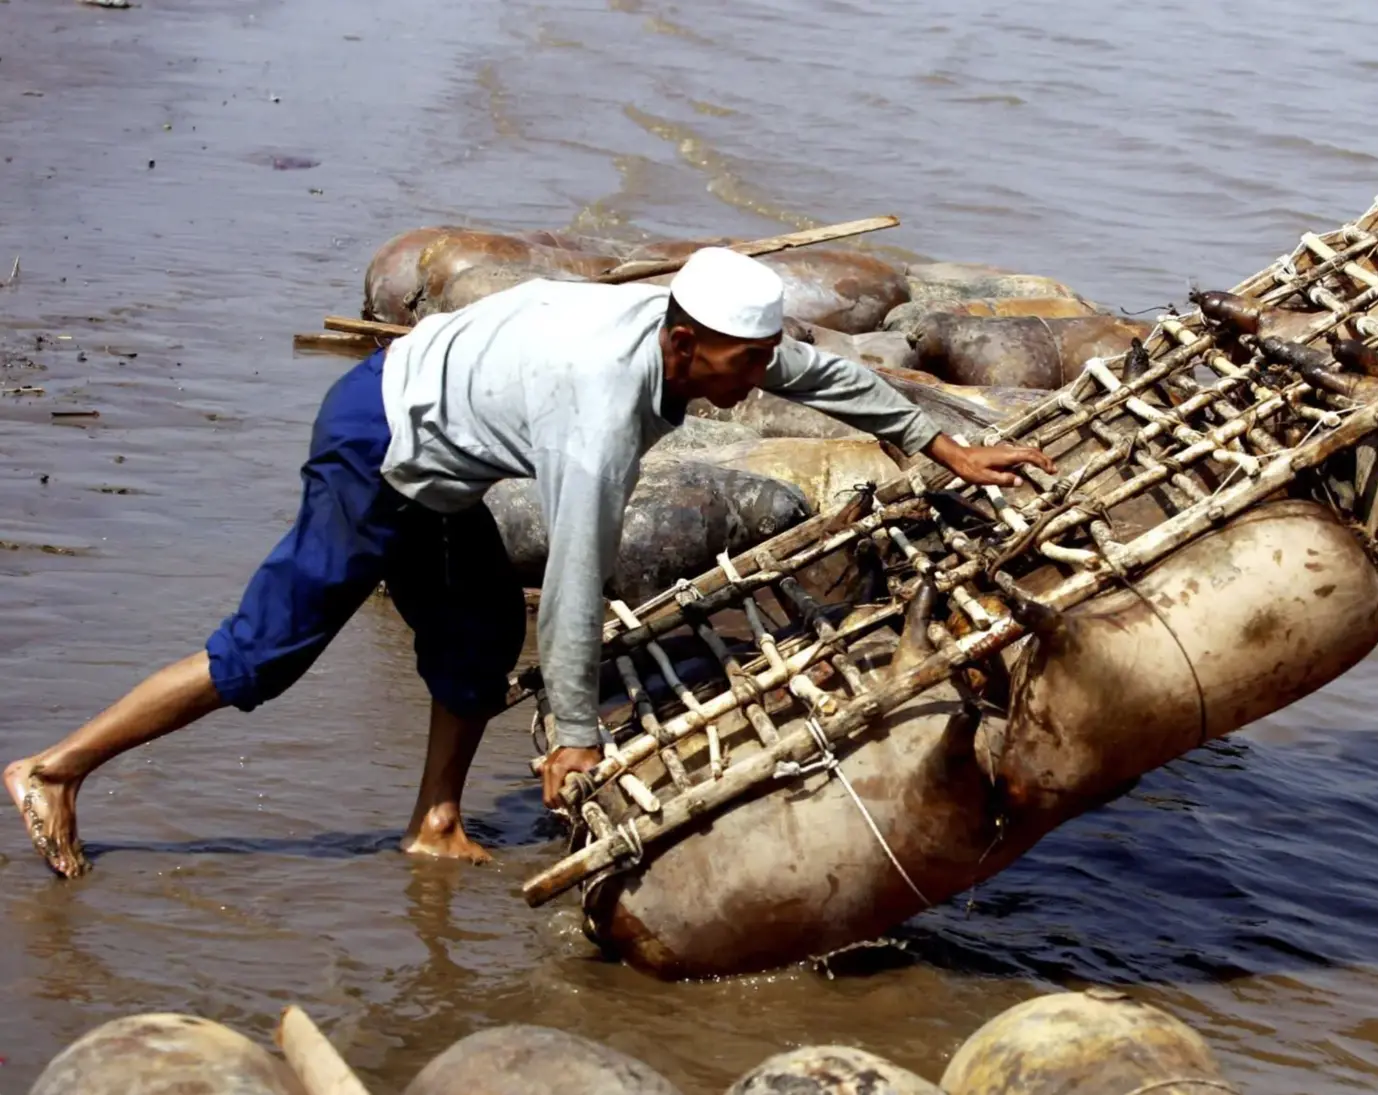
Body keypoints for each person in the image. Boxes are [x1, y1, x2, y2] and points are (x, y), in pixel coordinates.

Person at [5, 247, 1054, 878]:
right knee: (266, 654)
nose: (754, 385)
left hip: (438, 445)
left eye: (758, 363)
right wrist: (577, 736)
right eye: (741, 368)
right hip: (380, 444)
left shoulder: (694, 335)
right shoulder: (596, 410)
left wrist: (936, 440)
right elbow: (580, 575)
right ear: (683, 344)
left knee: (474, 638)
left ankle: (434, 822)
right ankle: (54, 772)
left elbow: (814, 367)